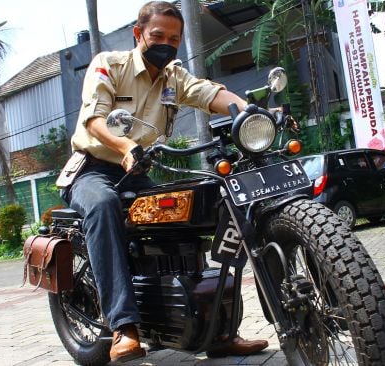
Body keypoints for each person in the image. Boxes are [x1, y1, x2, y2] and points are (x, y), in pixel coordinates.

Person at [63, 1, 268, 363]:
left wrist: (248, 112)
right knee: (103, 206)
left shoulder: (174, 76)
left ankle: (217, 330)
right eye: (158, 35)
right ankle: (123, 328)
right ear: (138, 34)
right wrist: (126, 147)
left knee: (195, 208)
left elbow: (210, 94)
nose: (166, 43)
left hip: (138, 171)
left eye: (174, 38)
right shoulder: (109, 64)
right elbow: (95, 120)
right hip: (93, 169)